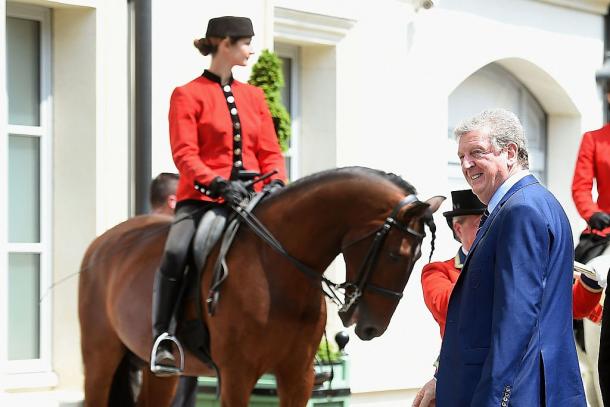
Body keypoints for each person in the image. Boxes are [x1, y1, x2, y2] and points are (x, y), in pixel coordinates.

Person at [151, 15, 287, 375]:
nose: (251, 50)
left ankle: (300, 346)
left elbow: (270, 150)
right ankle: (163, 338)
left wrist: (276, 182)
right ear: (224, 43)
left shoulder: (254, 96)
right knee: (176, 251)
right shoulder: (187, 94)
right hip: (203, 197)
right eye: (245, 43)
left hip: (254, 197)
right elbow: (184, 154)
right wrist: (216, 183)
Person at [424, 108, 585, 406]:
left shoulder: (520, 209)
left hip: (520, 394)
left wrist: (495, 399)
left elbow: (516, 318)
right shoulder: (529, 202)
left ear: (510, 152)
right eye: (461, 156)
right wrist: (442, 379)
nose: (466, 164)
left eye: (476, 152)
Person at [572, 83, 610, 404]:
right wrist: (592, 213)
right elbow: (581, 187)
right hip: (604, 236)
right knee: (590, 271)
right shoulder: (594, 140)